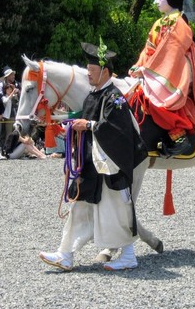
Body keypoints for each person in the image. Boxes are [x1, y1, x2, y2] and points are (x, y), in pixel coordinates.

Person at [39, 42, 148, 271]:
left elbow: (118, 131)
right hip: (91, 165)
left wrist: (88, 124)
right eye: (87, 68)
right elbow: (87, 127)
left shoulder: (114, 97)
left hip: (110, 167)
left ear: (105, 72)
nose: (88, 72)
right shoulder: (94, 95)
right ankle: (65, 254)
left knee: (117, 211)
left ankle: (128, 256)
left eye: (92, 69)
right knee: (79, 209)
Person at [128, 0, 195, 155]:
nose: (156, 2)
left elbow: (171, 50)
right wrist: (140, 64)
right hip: (159, 67)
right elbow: (149, 48)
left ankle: (180, 135)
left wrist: (147, 69)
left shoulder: (179, 22)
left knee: (156, 99)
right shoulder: (159, 22)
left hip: (177, 66)